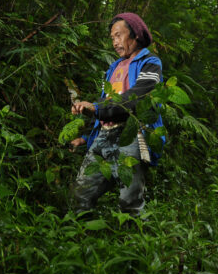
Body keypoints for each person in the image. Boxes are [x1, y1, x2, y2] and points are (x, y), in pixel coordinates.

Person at [69, 12, 164, 216]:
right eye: (112, 38)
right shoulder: (114, 68)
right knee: (81, 194)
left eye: (118, 35)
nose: (114, 42)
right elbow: (106, 105)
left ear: (135, 35)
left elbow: (135, 97)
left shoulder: (151, 63)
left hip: (130, 135)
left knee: (129, 202)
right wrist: (87, 137)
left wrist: (95, 107)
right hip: (103, 136)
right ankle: (82, 238)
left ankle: (135, 244)